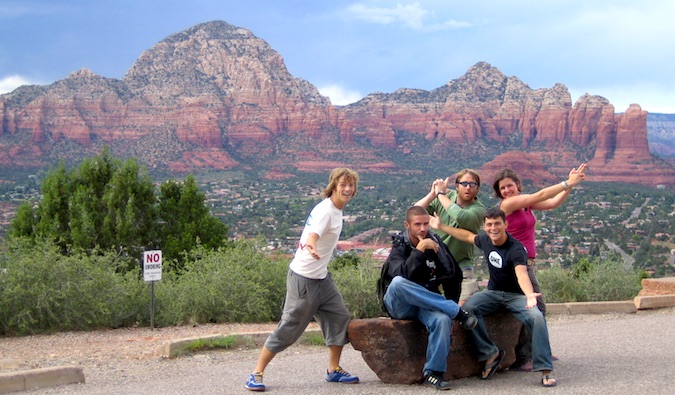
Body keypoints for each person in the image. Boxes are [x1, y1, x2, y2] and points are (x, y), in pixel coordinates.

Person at [244, 168, 361, 392]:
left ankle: (333, 369)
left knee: (339, 316)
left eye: (351, 185)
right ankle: (256, 373)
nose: (347, 189)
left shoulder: (336, 209)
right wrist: (311, 246)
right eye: (343, 185)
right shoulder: (326, 211)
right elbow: (312, 235)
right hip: (304, 278)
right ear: (333, 186)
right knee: (290, 326)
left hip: (321, 277)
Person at [429, 207, 557, 388]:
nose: (493, 228)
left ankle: (545, 369)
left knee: (536, 317)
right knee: (466, 309)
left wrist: (529, 295)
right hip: (493, 293)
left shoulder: (516, 248)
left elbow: (522, 274)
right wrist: (441, 226)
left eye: (497, 223)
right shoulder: (485, 239)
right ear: (484, 226)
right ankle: (490, 352)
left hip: (515, 296)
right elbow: (466, 236)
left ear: (506, 224)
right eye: (489, 224)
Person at [494, 164, 587, 371]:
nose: (507, 191)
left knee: (536, 308)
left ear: (517, 185)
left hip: (528, 263)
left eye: (509, 186)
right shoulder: (508, 205)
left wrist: (569, 186)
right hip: (516, 265)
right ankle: (525, 356)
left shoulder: (526, 205)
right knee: (535, 308)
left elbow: (552, 202)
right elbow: (542, 193)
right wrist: (567, 182)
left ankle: (538, 350)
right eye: (502, 188)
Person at [378, 205, 478, 391]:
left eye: (426, 224)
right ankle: (456, 312)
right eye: (417, 224)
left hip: (426, 303)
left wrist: (439, 254)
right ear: (407, 225)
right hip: (400, 304)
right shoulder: (400, 245)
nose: (423, 229)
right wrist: (419, 251)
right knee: (398, 283)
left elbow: (453, 275)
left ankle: (433, 373)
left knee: (441, 320)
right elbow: (399, 274)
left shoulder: (435, 242)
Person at [415, 169, 485, 305]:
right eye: (464, 183)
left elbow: (461, 217)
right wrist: (433, 193)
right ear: (457, 186)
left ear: (478, 188)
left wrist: (440, 194)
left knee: (466, 305)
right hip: (437, 262)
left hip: (462, 263)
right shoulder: (447, 196)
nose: (468, 187)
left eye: (472, 184)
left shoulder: (479, 210)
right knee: (427, 302)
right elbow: (415, 212)